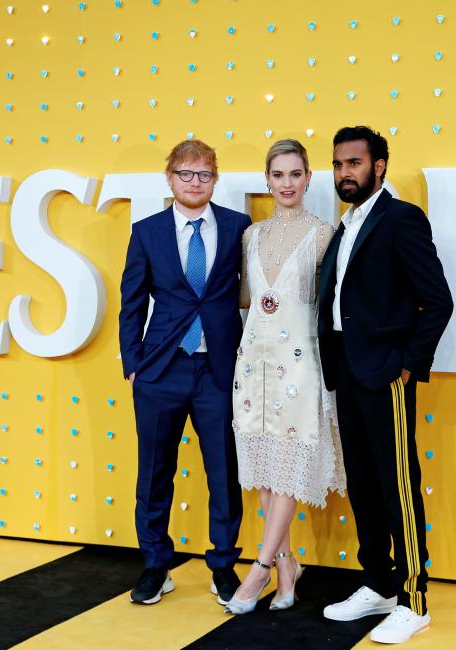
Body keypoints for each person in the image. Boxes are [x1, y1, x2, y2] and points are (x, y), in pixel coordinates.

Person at [317, 126, 453, 644]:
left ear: (379, 167)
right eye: (338, 164)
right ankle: (378, 583)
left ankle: (415, 599)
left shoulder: (400, 219)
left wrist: (408, 364)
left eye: (353, 163)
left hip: (385, 374)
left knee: (397, 485)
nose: (344, 173)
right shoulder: (345, 225)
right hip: (347, 374)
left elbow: (437, 300)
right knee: (363, 484)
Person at [119, 139, 251, 607]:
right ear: (170, 178)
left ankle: (223, 567)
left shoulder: (239, 227)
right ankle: (155, 565)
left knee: (223, 471)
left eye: (205, 175)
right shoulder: (147, 232)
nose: (195, 183)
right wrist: (132, 364)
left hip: (219, 369)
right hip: (161, 369)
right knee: (154, 472)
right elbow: (132, 302)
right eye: (186, 174)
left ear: (216, 179)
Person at [225, 139, 346, 615]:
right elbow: (244, 300)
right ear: (267, 180)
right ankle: (287, 564)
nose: (288, 184)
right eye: (279, 175)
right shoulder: (251, 237)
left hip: (301, 369)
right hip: (253, 368)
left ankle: (259, 569)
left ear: (308, 178)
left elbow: (329, 306)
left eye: (296, 174)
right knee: (265, 473)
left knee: (289, 472)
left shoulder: (323, 235)